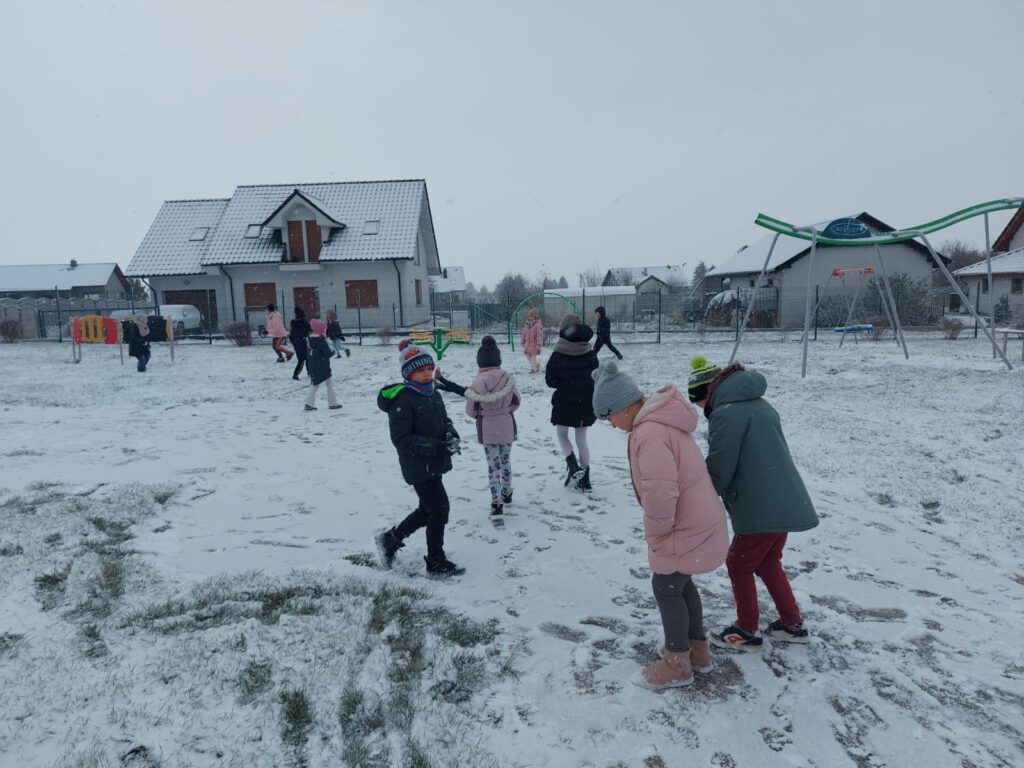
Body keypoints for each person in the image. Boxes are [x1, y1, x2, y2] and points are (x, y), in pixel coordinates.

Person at [592, 360, 729, 689]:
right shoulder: (658, 422)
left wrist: (658, 528)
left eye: (608, 415)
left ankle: (677, 663)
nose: (610, 424)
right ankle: (698, 653)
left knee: (666, 587)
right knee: (681, 585)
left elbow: (661, 490)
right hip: (697, 519)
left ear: (625, 407)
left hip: (682, 524)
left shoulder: (649, 433)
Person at [688, 356, 819, 650]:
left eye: (699, 403)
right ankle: (791, 623)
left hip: (760, 505)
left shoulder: (727, 414)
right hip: (782, 498)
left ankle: (746, 630)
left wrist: (699, 499)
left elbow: (720, 468)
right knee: (768, 561)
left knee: (738, 563)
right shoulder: (760, 405)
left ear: (708, 394)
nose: (701, 410)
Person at [375, 339, 465, 577]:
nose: (427, 375)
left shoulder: (433, 394)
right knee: (439, 508)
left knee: (428, 510)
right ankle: (435, 560)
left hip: (433, 462)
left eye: (429, 369)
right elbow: (402, 439)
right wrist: (435, 446)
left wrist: (451, 434)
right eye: (420, 371)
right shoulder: (402, 401)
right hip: (418, 465)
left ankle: (391, 539)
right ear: (408, 374)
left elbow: (445, 420)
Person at [463, 336, 521, 517]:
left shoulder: (477, 383)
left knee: (493, 465)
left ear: (480, 363)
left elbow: (471, 411)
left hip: (488, 431)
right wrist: (506, 410)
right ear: (499, 360)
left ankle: (496, 503)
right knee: (505, 461)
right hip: (506, 427)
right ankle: (507, 492)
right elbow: (517, 401)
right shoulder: (508, 378)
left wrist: (484, 413)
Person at [545, 313, 598, 490]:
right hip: (585, 400)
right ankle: (586, 477)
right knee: (581, 438)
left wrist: (564, 383)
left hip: (565, 401)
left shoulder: (559, 352)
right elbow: (596, 375)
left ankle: (572, 465)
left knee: (562, 434)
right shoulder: (589, 351)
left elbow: (550, 379)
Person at [304, 319, 342, 412]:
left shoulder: (310, 340)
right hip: (323, 366)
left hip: (314, 366)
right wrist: (333, 352)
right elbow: (327, 353)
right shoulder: (321, 340)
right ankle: (332, 403)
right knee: (328, 384)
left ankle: (309, 403)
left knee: (315, 384)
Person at [289, 307, 312, 380]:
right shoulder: (304, 322)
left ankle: (297, 373)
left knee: (301, 359)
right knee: (307, 358)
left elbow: (291, 334)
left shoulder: (293, 323)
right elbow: (309, 330)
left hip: (296, 342)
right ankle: (309, 373)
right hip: (302, 341)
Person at [520, 308, 544, 374]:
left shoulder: (538, 325)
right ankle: (536, 365)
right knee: (528, 357)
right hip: (527, 344)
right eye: (529, 316)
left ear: (535, 316)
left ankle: (534, 369)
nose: (530, 317)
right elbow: (524, 334)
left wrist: (538, 345)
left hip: (534, 344)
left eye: (532, 316)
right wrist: (522, 342)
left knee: (533, 357)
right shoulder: (527, 324)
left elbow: (539, 336)